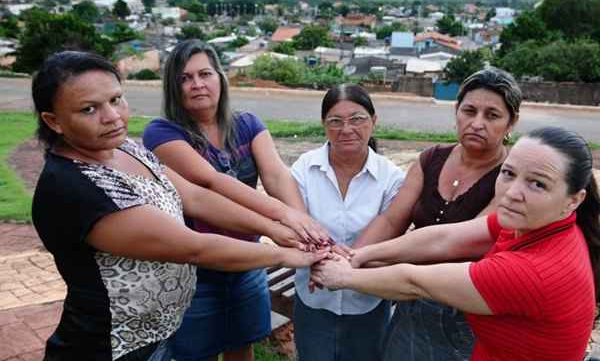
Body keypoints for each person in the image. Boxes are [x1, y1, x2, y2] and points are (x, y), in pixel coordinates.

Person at [31, 50, 327, 361]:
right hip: (115, 346)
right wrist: (287, 254)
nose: (112, 117)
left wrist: (274, 227)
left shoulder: (127, 148)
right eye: (89, 109)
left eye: (116, 100)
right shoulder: (73, 188)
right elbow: (193, 248)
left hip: (160, 333)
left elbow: (196, 198)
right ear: (54, 121)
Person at [312, 126, 600, 361]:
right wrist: (360, 255)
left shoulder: (533, 271)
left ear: (574, 200)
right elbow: (444, 238)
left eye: (537, 184)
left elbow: (415, 282)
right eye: (509, 174)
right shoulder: (533, 221)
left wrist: (345, 276)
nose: (513, 192)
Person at [142, 40, 327, 361]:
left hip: (247, 261)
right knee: (193, 352)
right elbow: (209, 182)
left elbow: (276, 176)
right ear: (173, 86)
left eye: (205, 73)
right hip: (194, 269)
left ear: (220, 78)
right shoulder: (162, 133)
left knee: (242, 344)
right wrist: (280, 224)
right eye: (185, 78)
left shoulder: (248, 124)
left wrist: (305, 229)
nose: (197, 84)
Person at [351, 67, 523, 360]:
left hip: (468, 314)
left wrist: (359, 261)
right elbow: (392, 219)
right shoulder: (430, 159)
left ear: (511, 123)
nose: (477, 123)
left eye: (492, 115)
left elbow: (454, 241)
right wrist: (351, 255)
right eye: (469, 111)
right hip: (411, 299)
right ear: (456, 112)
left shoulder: (512, 174)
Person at [290, 84, 405, 361]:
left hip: (367, 299)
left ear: (374, 122)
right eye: (335, 121)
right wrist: (321, 259)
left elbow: (389, 232)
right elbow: (295, 223)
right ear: (323, 125)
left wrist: (342, 265)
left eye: (357, 119)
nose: (346, 129)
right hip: (313, 295)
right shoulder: (305, 169)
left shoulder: (391, 178)